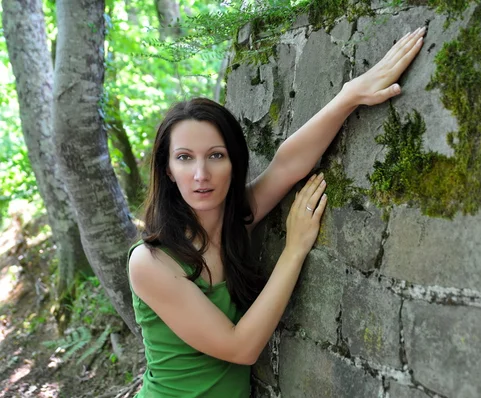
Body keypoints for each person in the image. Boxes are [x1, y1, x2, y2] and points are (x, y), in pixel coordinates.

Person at [127, 26, 426, 397]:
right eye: (185, 158)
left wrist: (350, 97)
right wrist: (295, 248)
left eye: (215, 156)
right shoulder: (152, 262)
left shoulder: (233, 222)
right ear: (168, 170)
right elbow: (240, 347)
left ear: (234, 162)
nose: (201, 174)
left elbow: (286, 165)